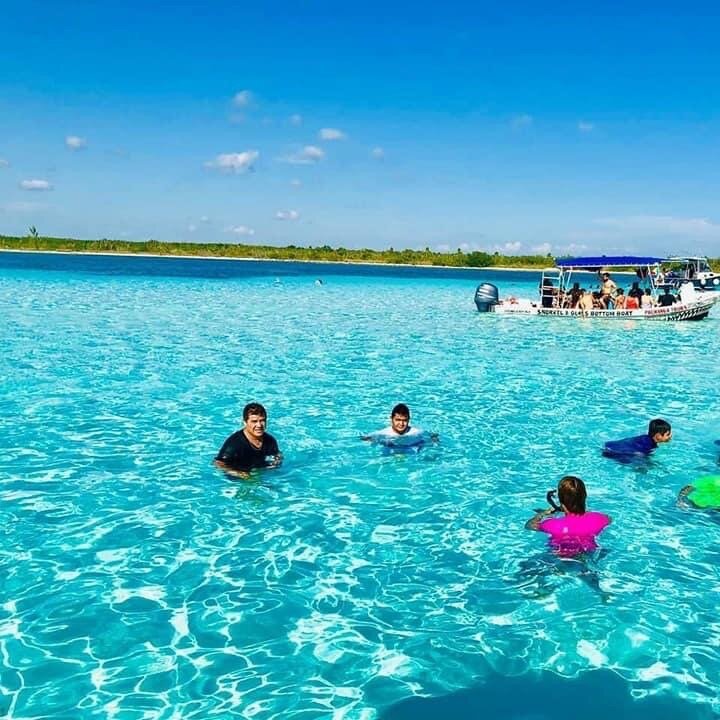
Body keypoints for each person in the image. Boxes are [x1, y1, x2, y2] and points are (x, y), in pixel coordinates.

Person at [526, 475, 611, 557]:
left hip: (559, 556)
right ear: (584, 496)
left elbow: (529, 525)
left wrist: (543, 513)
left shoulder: (551, 524)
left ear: (561, 502)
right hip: (589, 552)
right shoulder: (600, 518)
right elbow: (609, 519)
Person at [215, 402, 282, 478]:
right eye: (254, 421)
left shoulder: (270, 440)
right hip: (239, 479)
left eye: (262, 420)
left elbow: (277, 455)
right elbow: (218, 463)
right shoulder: (234, 443)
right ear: (245, 422)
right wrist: (239, 474)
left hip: (260, 474)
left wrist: (277, 461)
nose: (259, 425)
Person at [361, 403, 438, 447]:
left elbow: (433, 436)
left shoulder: (416, 432)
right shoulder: (383, 433)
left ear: (409, 419)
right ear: (391, 419)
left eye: (404, 420)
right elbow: (365, 438)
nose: (401, 424)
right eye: (398, 420)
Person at [602, 418, 672, 462]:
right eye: (667, 434)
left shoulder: (644, 437)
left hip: (609, 446)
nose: (669, 436)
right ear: (658, 436)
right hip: (615, 453)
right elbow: (640, 454)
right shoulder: (650, 445)